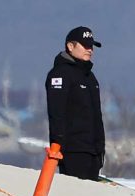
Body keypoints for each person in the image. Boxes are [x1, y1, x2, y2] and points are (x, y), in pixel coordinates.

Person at [45, 26, 105, 181]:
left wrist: (100, 149)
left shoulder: (90, 77)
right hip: (72, 151)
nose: (89, 50)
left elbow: (96, 116)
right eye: (85, 45)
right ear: (70, 46)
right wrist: (58, 147)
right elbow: (56, 113)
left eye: (91, 46)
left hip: (94, 152)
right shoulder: (59, 74)